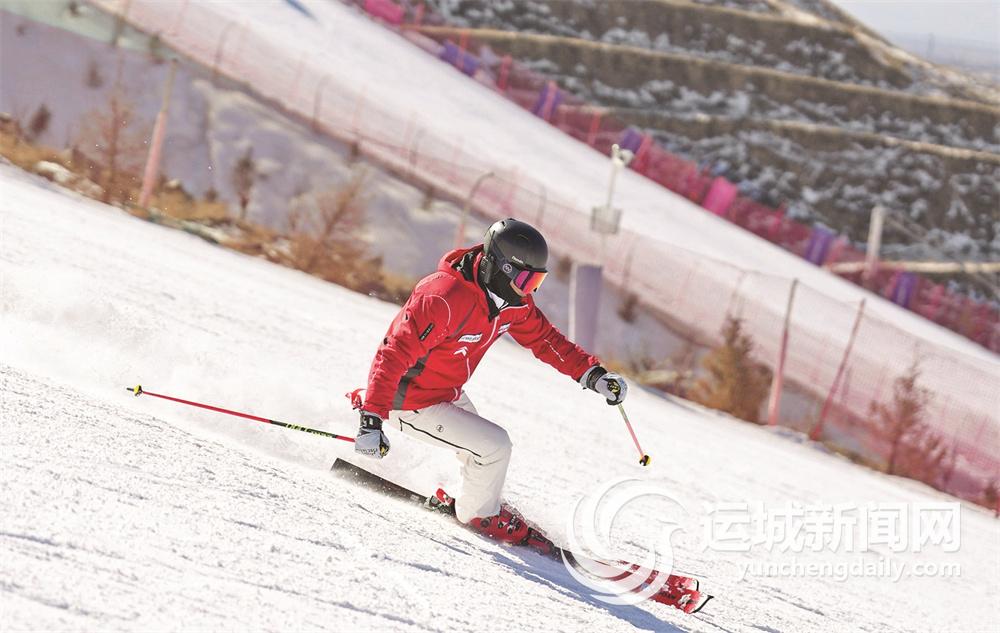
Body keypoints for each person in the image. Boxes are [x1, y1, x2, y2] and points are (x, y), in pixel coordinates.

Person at [352, 218, 627, 544]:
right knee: (493, 448)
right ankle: (479, 515)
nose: (529, 291)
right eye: (526, 280)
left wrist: (592, 374)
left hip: (444, 392)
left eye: (536, 282)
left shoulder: (512, 302)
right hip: (409, 401)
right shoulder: (443, 297)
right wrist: (372, 417)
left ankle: (477, 501)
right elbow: (393, 353)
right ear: (501, 268)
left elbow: (545, 340)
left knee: (481, 451)